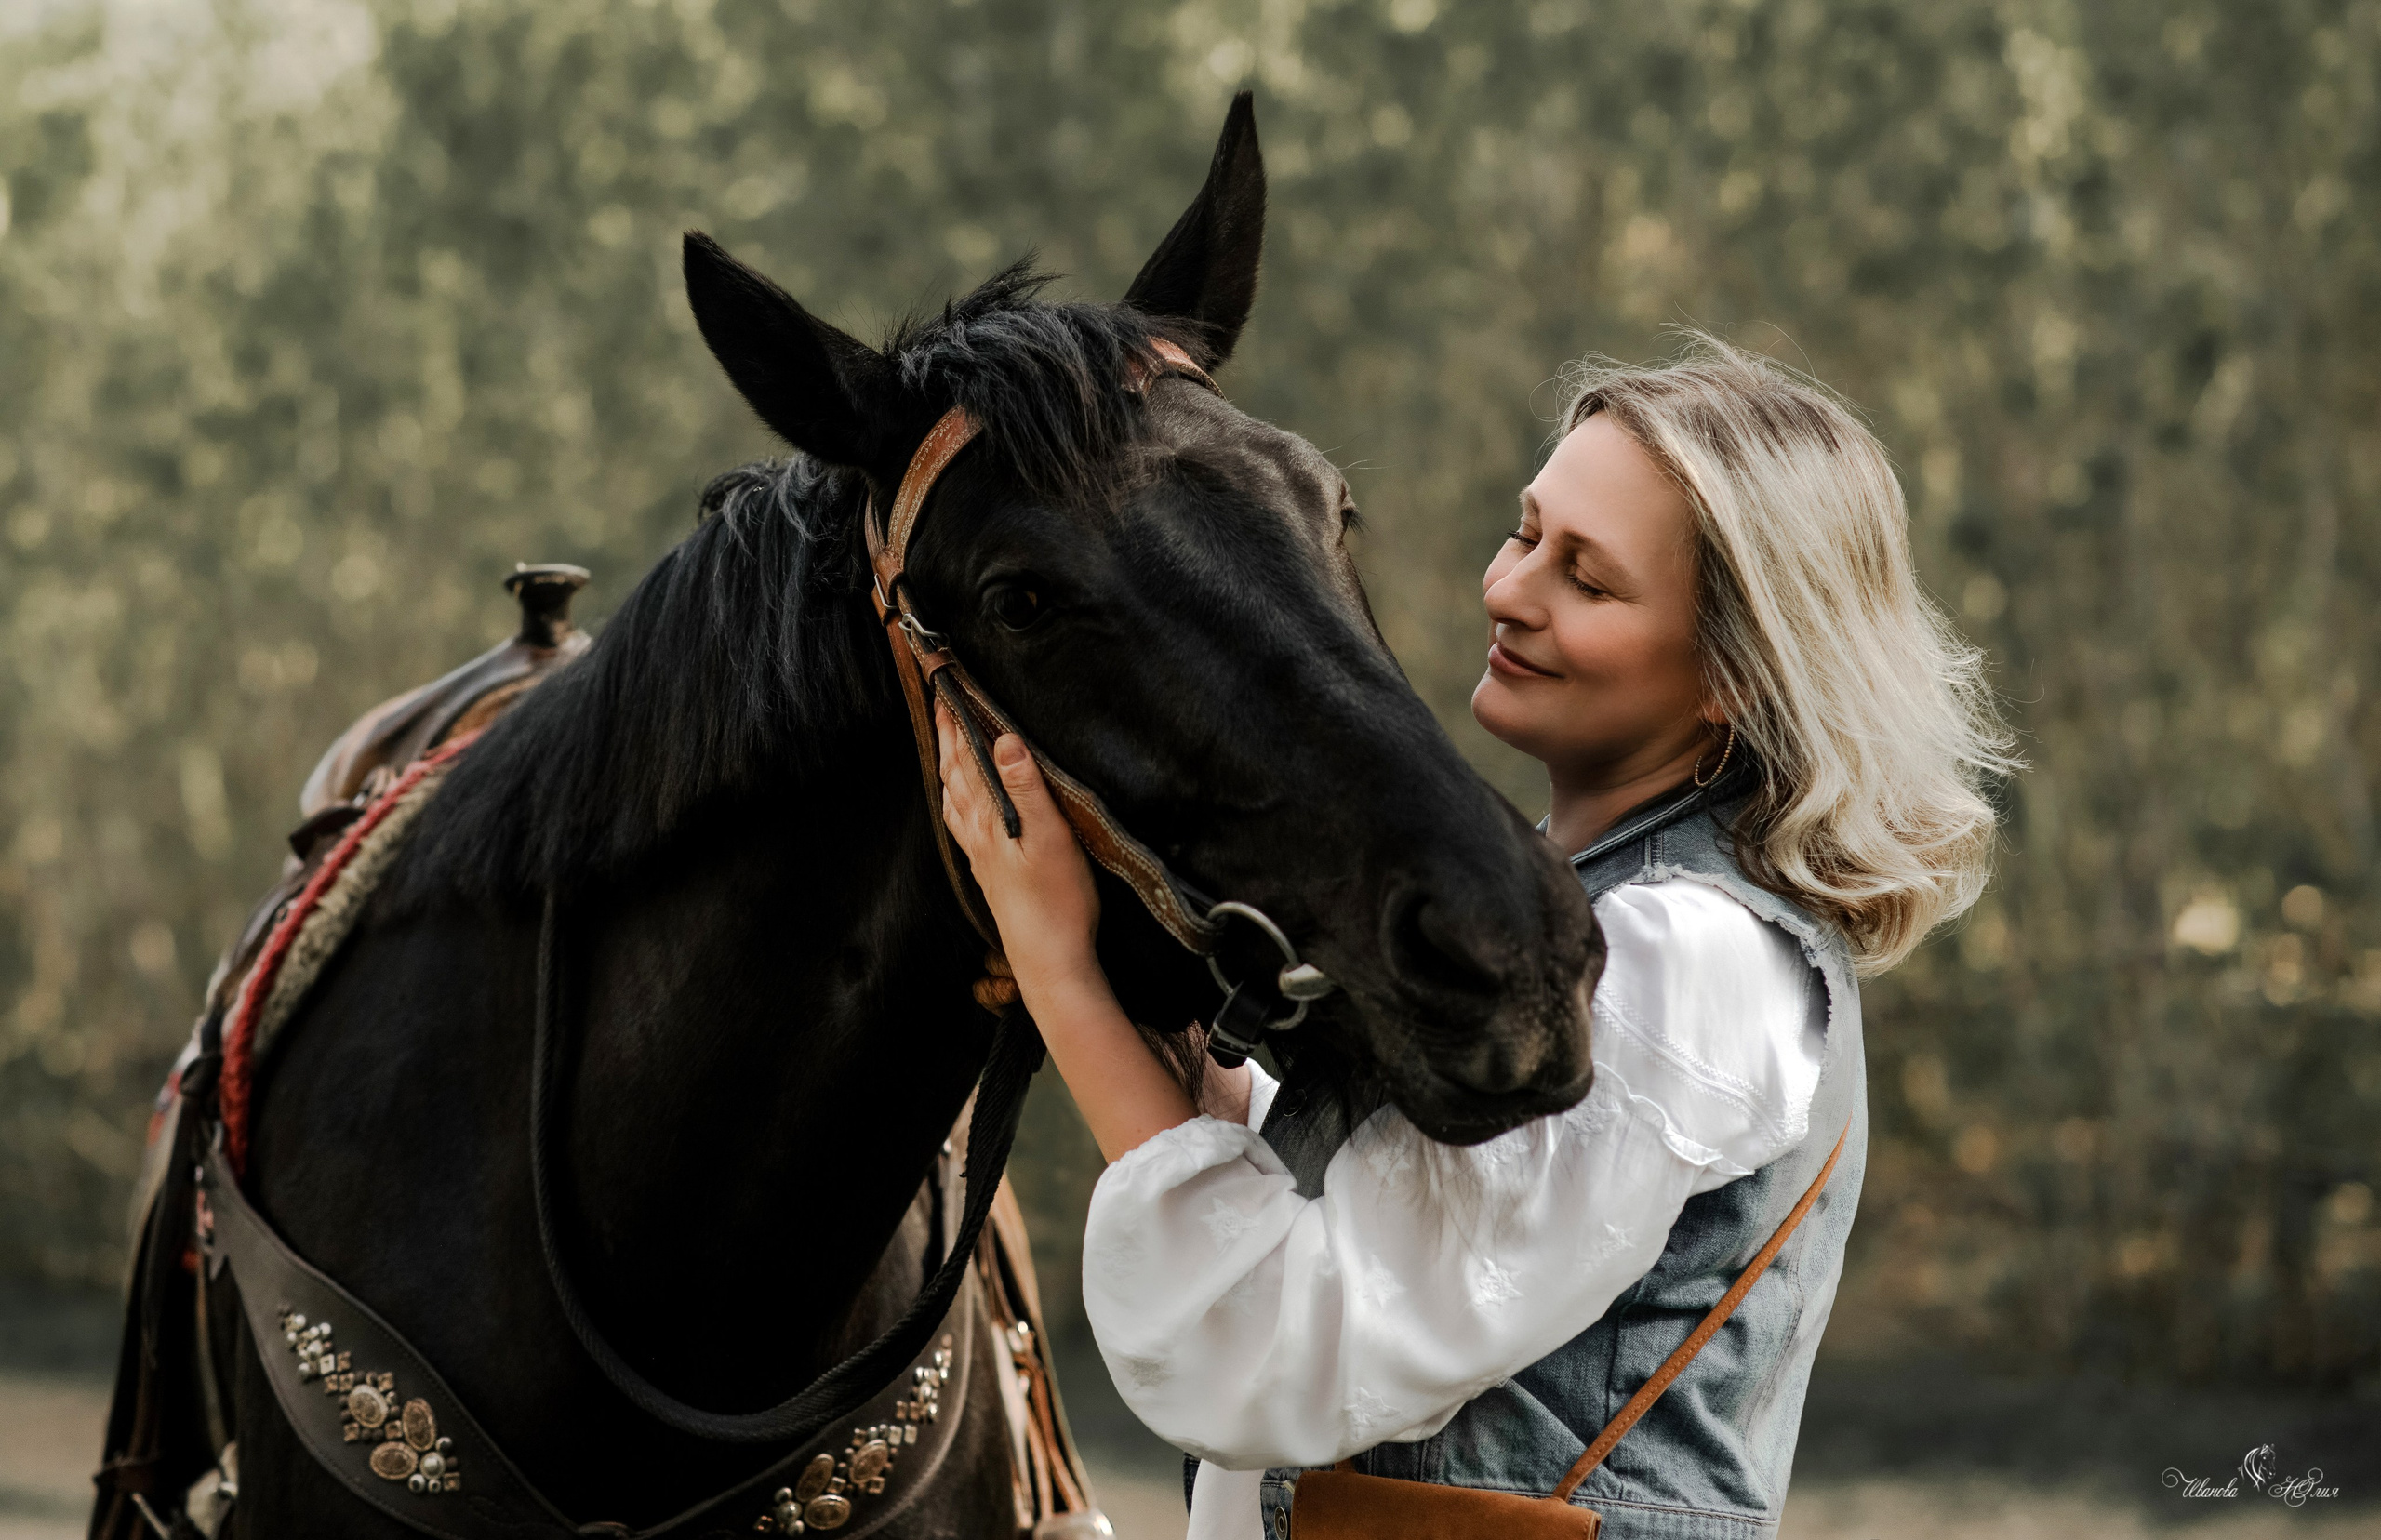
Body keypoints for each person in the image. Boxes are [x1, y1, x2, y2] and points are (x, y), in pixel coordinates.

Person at [935, 336, 2015, 1538]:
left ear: (1737, 675)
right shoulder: (1580, 917)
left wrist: (1060, 968)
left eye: (1587, 579)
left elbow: (1272, 1351)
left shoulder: (1690, 958)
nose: (1509, 590)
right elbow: (1338, 1225)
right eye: (1525, 534)